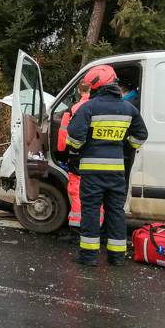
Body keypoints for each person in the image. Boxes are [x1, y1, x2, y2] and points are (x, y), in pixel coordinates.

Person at [66, 64, 148, 267]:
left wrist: (79, 150)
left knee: (92, 211)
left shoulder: (89, 107)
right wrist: (124, 146)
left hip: (92, 172)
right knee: (116, 211)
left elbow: (74, 138)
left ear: (96, 86)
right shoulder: (128, 108)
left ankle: (89, 256)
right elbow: (141, 135)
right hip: (117, 171)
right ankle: (117, 256)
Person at [57, 82, 91, 228]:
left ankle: (76, 226)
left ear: (78, 91)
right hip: (98, 157)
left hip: (78, 156)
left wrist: (62, 152)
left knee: (76, 191)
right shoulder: (104, 107)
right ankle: (97, 225)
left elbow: (63, 133)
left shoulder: (76, 108)